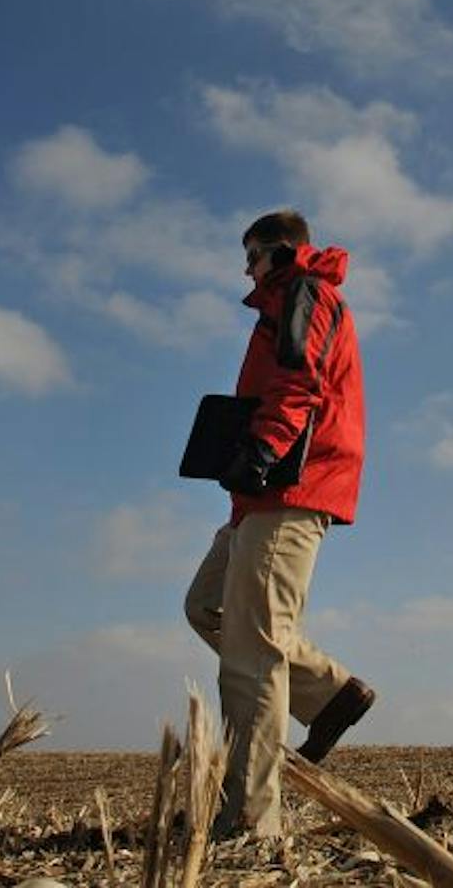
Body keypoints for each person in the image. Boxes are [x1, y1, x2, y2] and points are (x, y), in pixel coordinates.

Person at [183, 209, 373, 839]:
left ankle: (248, 818)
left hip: (292, 488)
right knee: (206, 605)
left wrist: (263, 452)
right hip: (256, 501)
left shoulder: (306, 293)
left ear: (284, 251)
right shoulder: (279, 304)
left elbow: (300, 383)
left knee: (252, 652)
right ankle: (329, 694)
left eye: (253, 253)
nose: (246, 267)